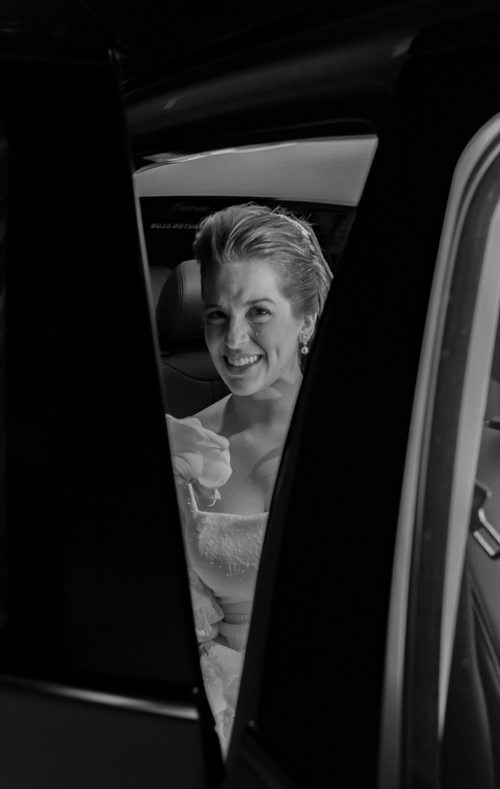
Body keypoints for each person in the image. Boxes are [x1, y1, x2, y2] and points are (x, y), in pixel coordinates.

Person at [166, 203, 333, 755]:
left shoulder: (364, 436)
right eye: (217, 314)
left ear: (306, 319)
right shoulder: (184, 446)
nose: (234, 340)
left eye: (258, 311)